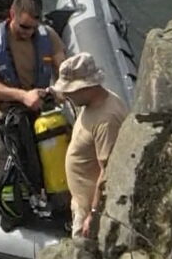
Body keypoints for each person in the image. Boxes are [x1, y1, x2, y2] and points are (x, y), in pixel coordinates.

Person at [0, 0, 66, 193]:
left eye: (33, 28)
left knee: (44, 155)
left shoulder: (48, 37)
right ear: (12, 15)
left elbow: (62, 69)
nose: (28, 33)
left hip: (40, 111)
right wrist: (23, 96)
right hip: (6, 114)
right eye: (24, 27)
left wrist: (60, 89)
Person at [50, 53, 128, 239]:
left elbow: (107, 171)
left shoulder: (106, 120)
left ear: (86, 87)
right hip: (80, 203)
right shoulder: (92, 104)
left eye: (70, 91)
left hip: (89, 210)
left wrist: (93, 214)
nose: (66, 94)